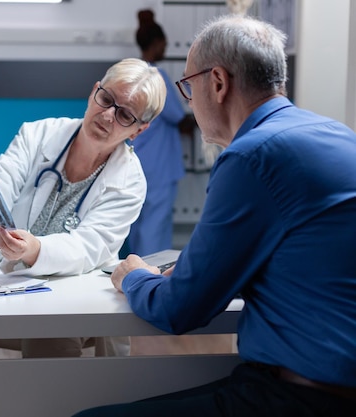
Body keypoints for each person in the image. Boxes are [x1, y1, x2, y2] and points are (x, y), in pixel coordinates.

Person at [73, 14, 356, 417]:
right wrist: (201, 274)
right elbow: (307, 265)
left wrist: (132, 274)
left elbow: (179, 311)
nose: (188, 100)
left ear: (218, 83)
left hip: (304, 396)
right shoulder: (337, 134)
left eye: (188, 87)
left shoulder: (251, 155)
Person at [0, 57, 167, 361]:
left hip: (71, 289)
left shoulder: (130, 182)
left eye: (124, 115)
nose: (108, 115)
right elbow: (2, 183)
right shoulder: (39, 134)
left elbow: (88, 246)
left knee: (50, 345)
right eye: (106, 99)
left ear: (138, 130)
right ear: (94, 92)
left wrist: (35, 250)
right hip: (0, 275)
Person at [126, 9, 192, 257]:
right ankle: (151, 276)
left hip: (138, 160)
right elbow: (177, 117)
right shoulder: (157, 77)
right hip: (160, 166)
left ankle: (134, 269)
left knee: (138, 223)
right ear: (155, 44)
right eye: (163, 44)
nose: (165, 47)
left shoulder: (131, 76)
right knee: (156, 226)